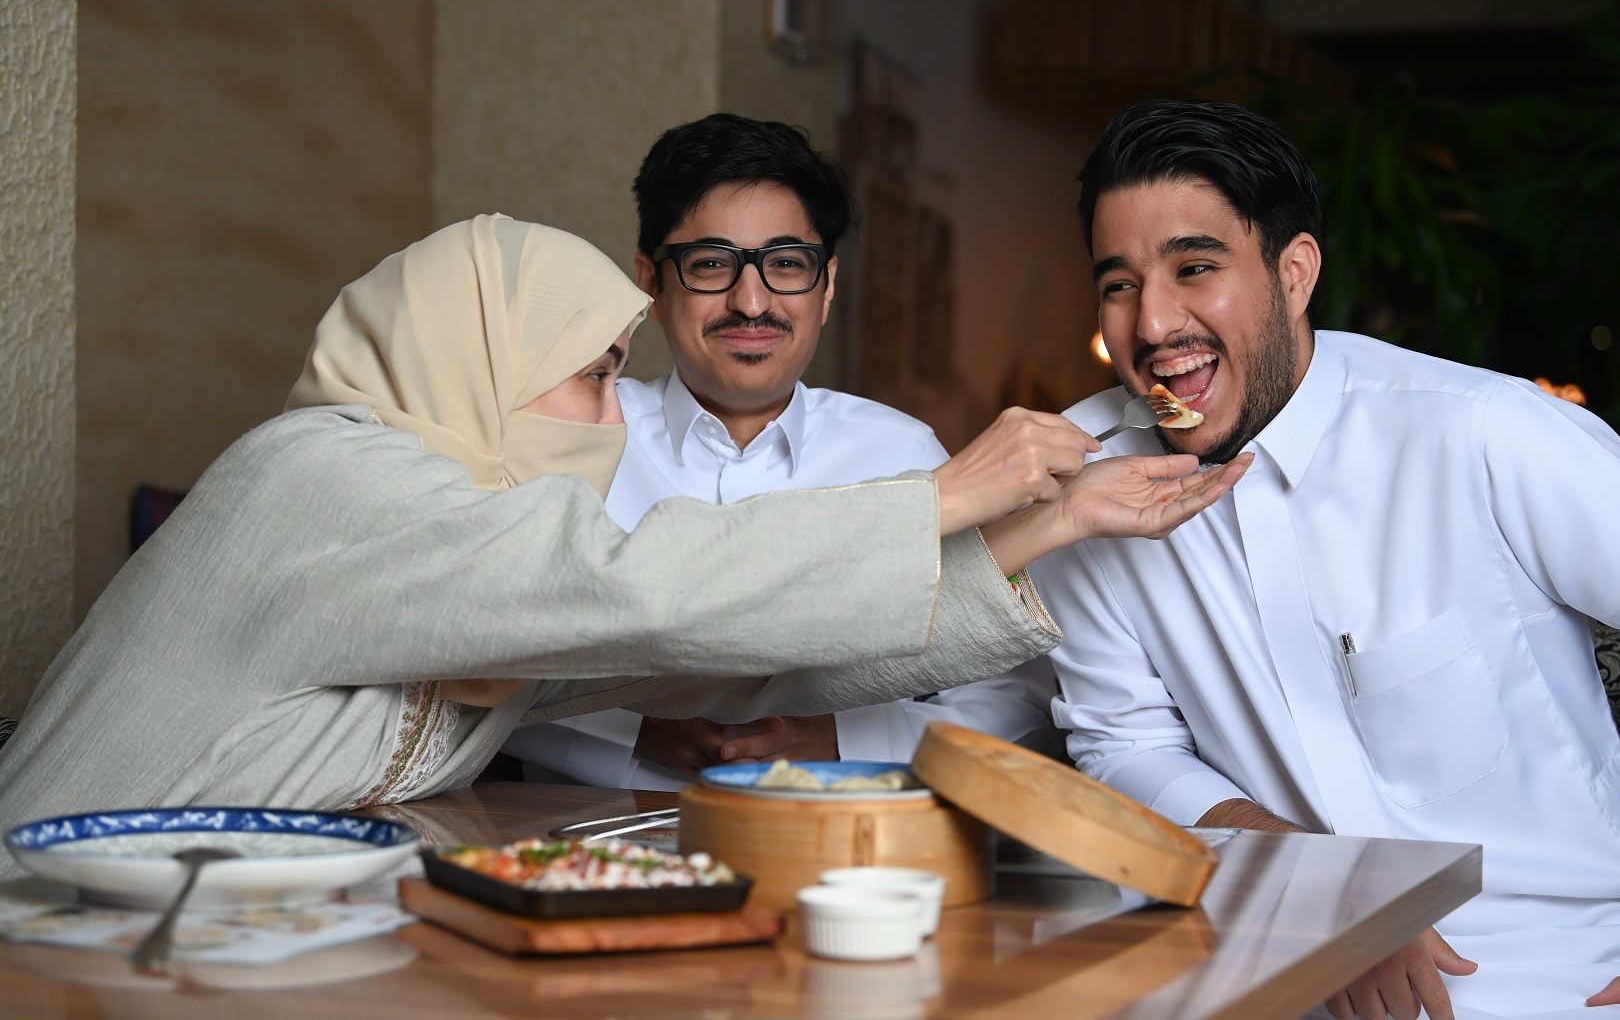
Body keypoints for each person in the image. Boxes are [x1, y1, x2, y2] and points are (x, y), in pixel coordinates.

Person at [0, 213, 1247, 878]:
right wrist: (946, 494)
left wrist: (1052, 524)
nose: (615, 420)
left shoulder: (464, 552)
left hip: (212, 936)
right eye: (593, 375)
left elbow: (723, 658)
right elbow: (640, 584)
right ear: (478, 354)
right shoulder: (315, 476)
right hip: (51, 930)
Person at [1033, 99, 1620, 1020]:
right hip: (1278, 977)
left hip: (1554, 981)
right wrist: (1313, 881)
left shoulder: (1482, 434)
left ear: (1294, 272)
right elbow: (1125, 746)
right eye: (1119, 284)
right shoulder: (1087, 482)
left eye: (1195, 268)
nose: (1152, 324)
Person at [502, 115, 1062, 789]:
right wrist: (635, 726)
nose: (751, 302)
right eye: (712, 264)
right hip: (580, 833)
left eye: (786, 265)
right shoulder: (576, 438)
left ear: (827, 285)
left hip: (835, 833)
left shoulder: (905, 456)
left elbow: (1017, 693)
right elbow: (465, 661)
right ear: (650, 282)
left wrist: (844, 738)